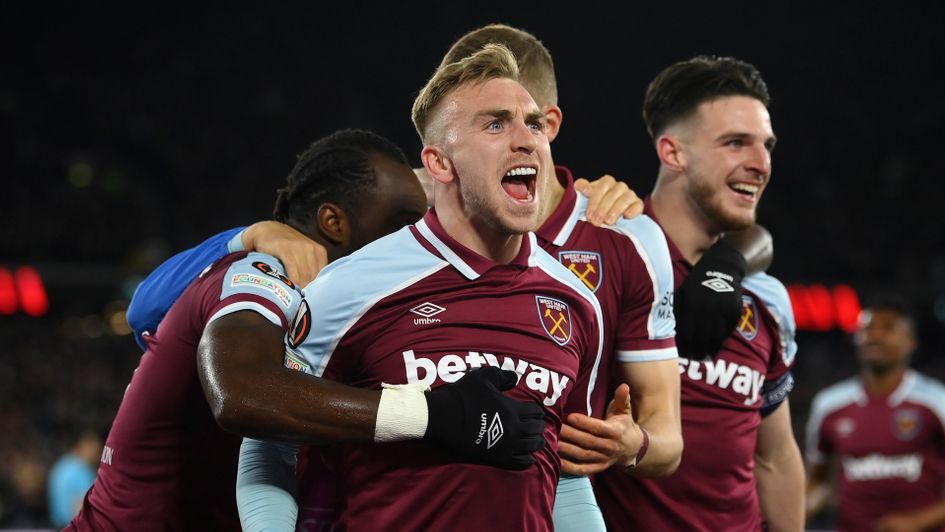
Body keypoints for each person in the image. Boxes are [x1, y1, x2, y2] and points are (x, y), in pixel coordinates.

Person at [68, 129, 546, 531]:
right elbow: (242, 393)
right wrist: (432, 415)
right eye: (401, 223)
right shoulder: (264, 272)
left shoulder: (353, 317)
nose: (413, 237)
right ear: (333, 222)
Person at [237, 43, 605, 531]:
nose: (526, 140)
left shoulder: (577, 302)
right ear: (439, 163)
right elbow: (269, 445)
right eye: (495, 124)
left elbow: (563, 473)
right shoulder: (348, 288)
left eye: (533, 124)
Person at [591, 55, 804, 532]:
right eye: (735, 143)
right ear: (673, 153)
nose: (761, 163)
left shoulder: (766, 297)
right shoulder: (601, 259)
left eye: (766, 145)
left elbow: (774, 456)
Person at [806, 294, 945, 531]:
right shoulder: (829, 405)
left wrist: (917, 522)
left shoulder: (936, 401)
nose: (875, 336)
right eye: (867, 328)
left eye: (888, 328)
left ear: (911, 341)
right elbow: (819, 483)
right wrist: (798, 511)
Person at [47, 431, 101, 528]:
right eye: (93, 447)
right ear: (82, 445)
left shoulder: (61, 464)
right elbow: (80, 508)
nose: (97, 452)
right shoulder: (82, 469)